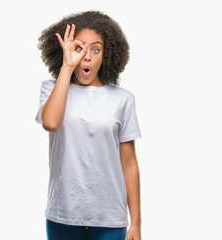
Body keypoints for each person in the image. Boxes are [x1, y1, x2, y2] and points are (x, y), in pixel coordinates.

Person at [35, 10, 142, 240]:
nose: (87, 56)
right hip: (63, 213)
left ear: (107, 54)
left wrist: (136, 224)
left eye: (96, 49)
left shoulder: (123, 99)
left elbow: (129, 163)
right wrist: (66, 67)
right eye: (79, 47)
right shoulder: (51, 89)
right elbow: (51, 122)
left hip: (109, 216)